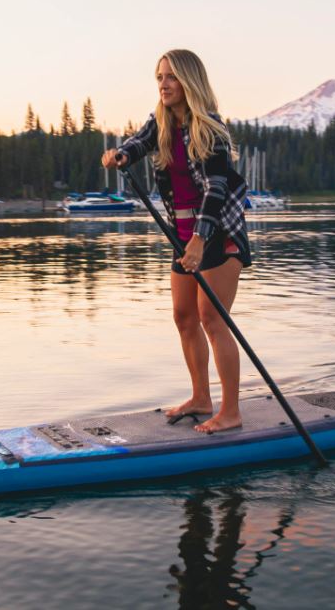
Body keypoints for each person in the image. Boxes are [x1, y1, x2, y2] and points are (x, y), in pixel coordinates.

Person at [101, 49, 252, 433]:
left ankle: (230, 411)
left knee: (213, 319)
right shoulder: (163, 121)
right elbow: (139, 142)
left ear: (189, 81)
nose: (163, 85)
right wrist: (121, 154)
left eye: (170, 77)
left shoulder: (211, 130)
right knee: (184, 317)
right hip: (183, 235)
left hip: (218, 232)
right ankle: (201, 398)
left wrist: (201, 239)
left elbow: (216, 189)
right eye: (159, 78)